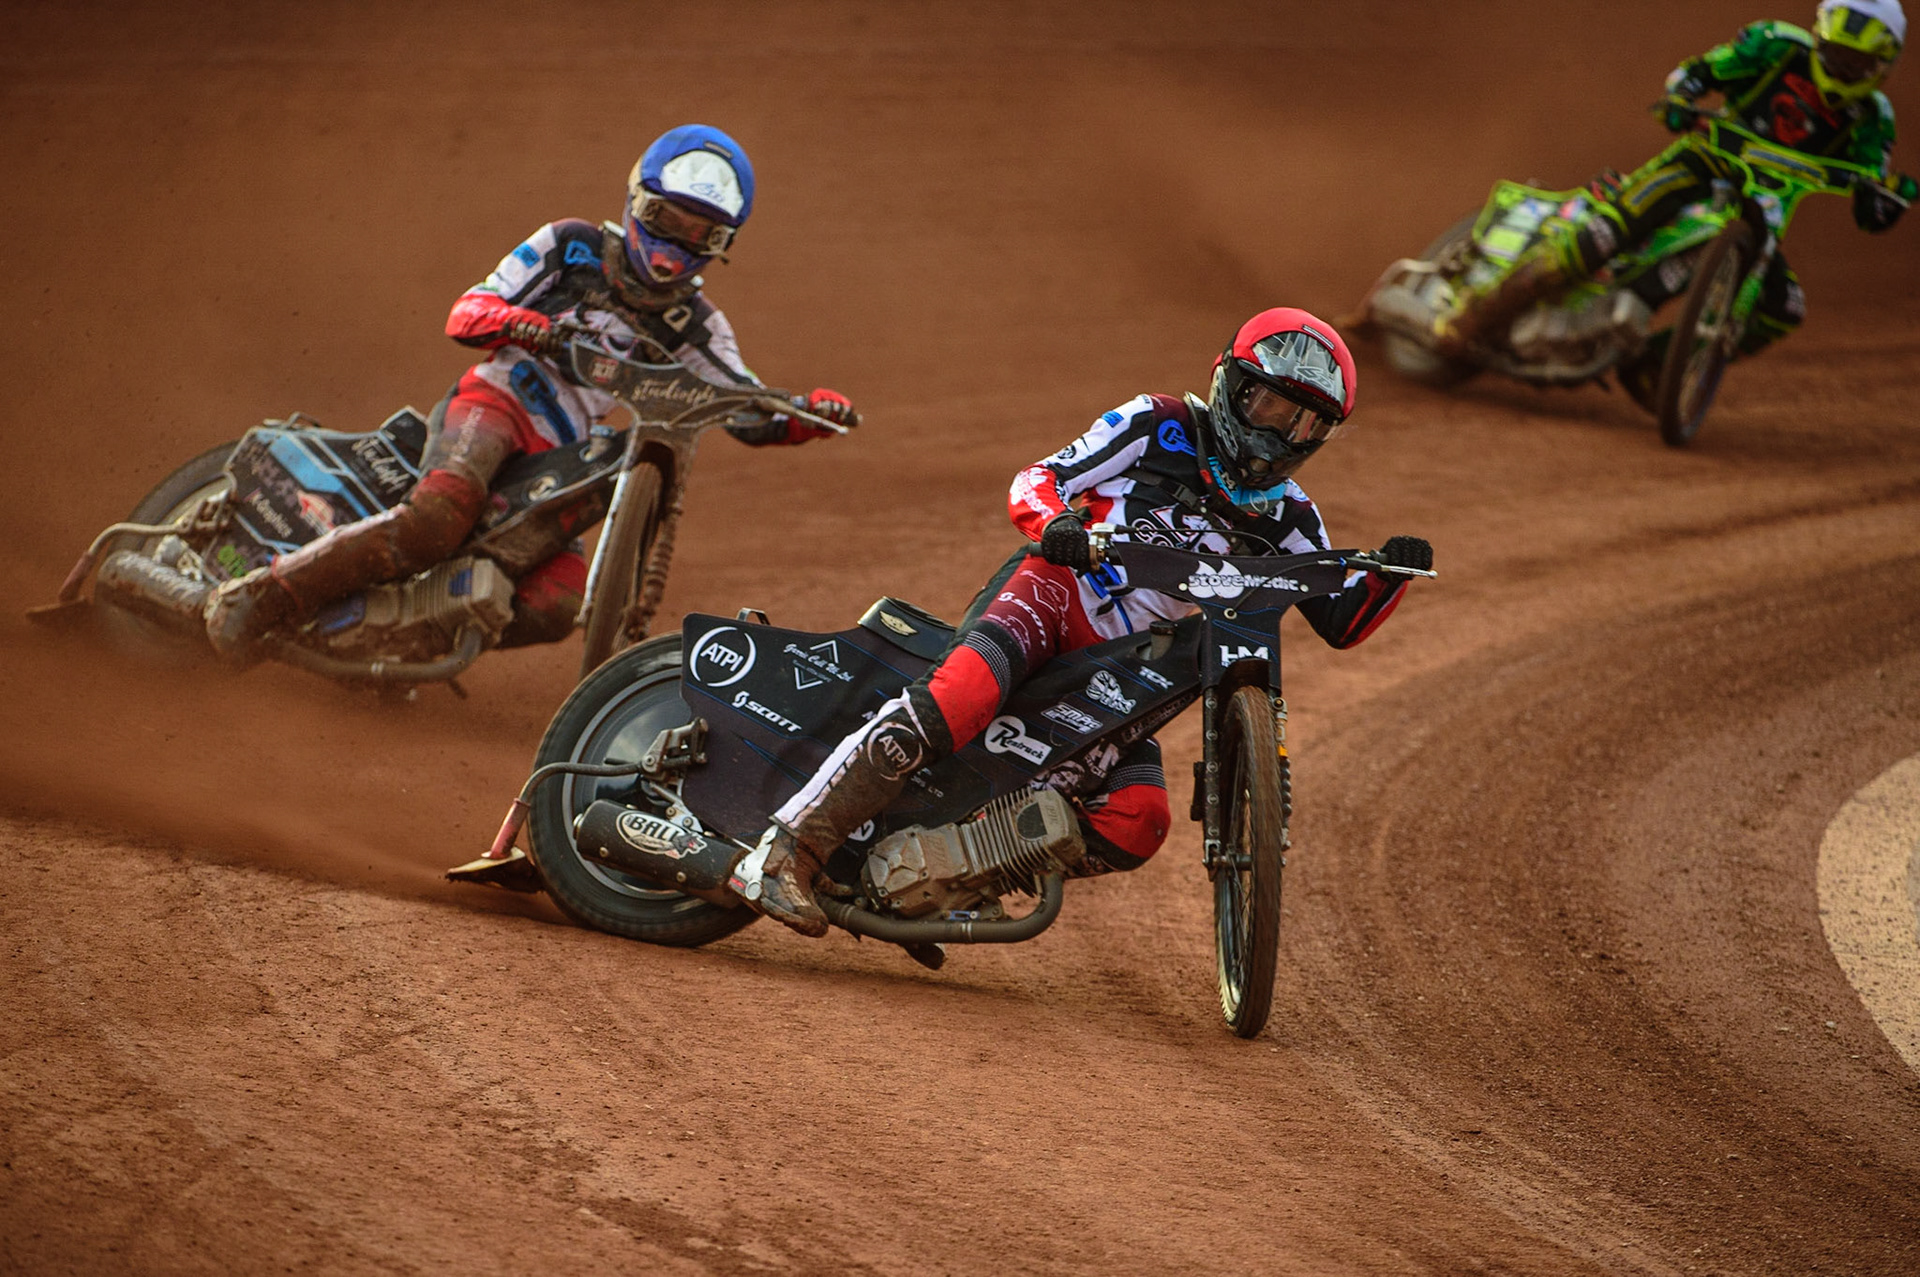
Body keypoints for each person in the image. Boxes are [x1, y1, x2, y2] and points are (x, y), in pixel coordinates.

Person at [743, 308, 1433, 936]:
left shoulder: (1292, 516)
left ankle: (956, 872)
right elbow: (1038, 478)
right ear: (1232, 384)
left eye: (1304, 422)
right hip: (1057, 596)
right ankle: (786, 852)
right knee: (959, 697)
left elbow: (1342, 618)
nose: (1280, 432)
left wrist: (1386, 574)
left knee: (1142, 821)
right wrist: (1059, 524)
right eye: (1272, 404)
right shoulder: (1157, 423)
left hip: (1135, 678)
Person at [205, 123, 858, 659]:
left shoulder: (702, 329)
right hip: (501, 400)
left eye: (699, 237)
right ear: (635, 200)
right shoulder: (572, 246)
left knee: (557, 604)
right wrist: (525, 324)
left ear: (721, 245)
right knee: (439, 516)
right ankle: (263, 596)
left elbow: (745, 409)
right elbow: (466, 312)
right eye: (663, 219)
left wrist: (808, 413)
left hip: (565, 458)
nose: (669, 251)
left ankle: (388, 652)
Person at [1431, 0, 1916, 400]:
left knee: (1784, 308)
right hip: (1703, 165)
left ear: (1882, 65)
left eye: (1856, 63)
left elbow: (1871, 197)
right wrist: (1683, 96)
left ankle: (1654, 366)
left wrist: (1886, 203)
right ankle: (1471, 317)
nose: (1842, 70)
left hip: (1762, 212)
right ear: (1819, 39)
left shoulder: (1874, 120)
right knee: (1604, 234)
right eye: (1836, 55)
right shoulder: (1774, 46)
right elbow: (1704, 70)